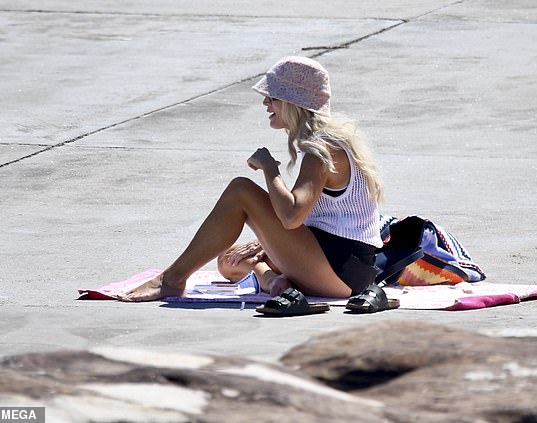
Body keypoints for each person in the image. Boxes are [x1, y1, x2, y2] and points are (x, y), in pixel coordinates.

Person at [118, 56, 383, 302]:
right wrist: (266, 241)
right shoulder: (329, 140)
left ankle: (171, 279)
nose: (265, 103)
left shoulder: (320, 149)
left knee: (241, 190)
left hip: (341, 269)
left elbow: (291, 217)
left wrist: (270, 168)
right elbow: (315, 218)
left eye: (272, 97)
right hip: (340, 262)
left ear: (293, 103)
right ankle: (270, 280)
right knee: (228, 259)